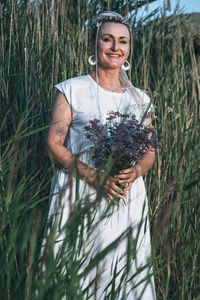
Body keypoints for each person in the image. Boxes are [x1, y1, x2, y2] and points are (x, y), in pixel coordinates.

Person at [45, 11, 157, 299]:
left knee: (123, 270)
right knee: (80, 270)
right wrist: (96, 177)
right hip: (81, 190)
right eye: (107, 39)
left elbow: (149, 152)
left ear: (129, 48)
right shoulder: (71, 89)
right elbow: (54, 144)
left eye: (123, 41)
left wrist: (133, 173)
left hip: (125, 194)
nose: (115, 47)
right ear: (94, 45)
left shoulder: (140, 98)